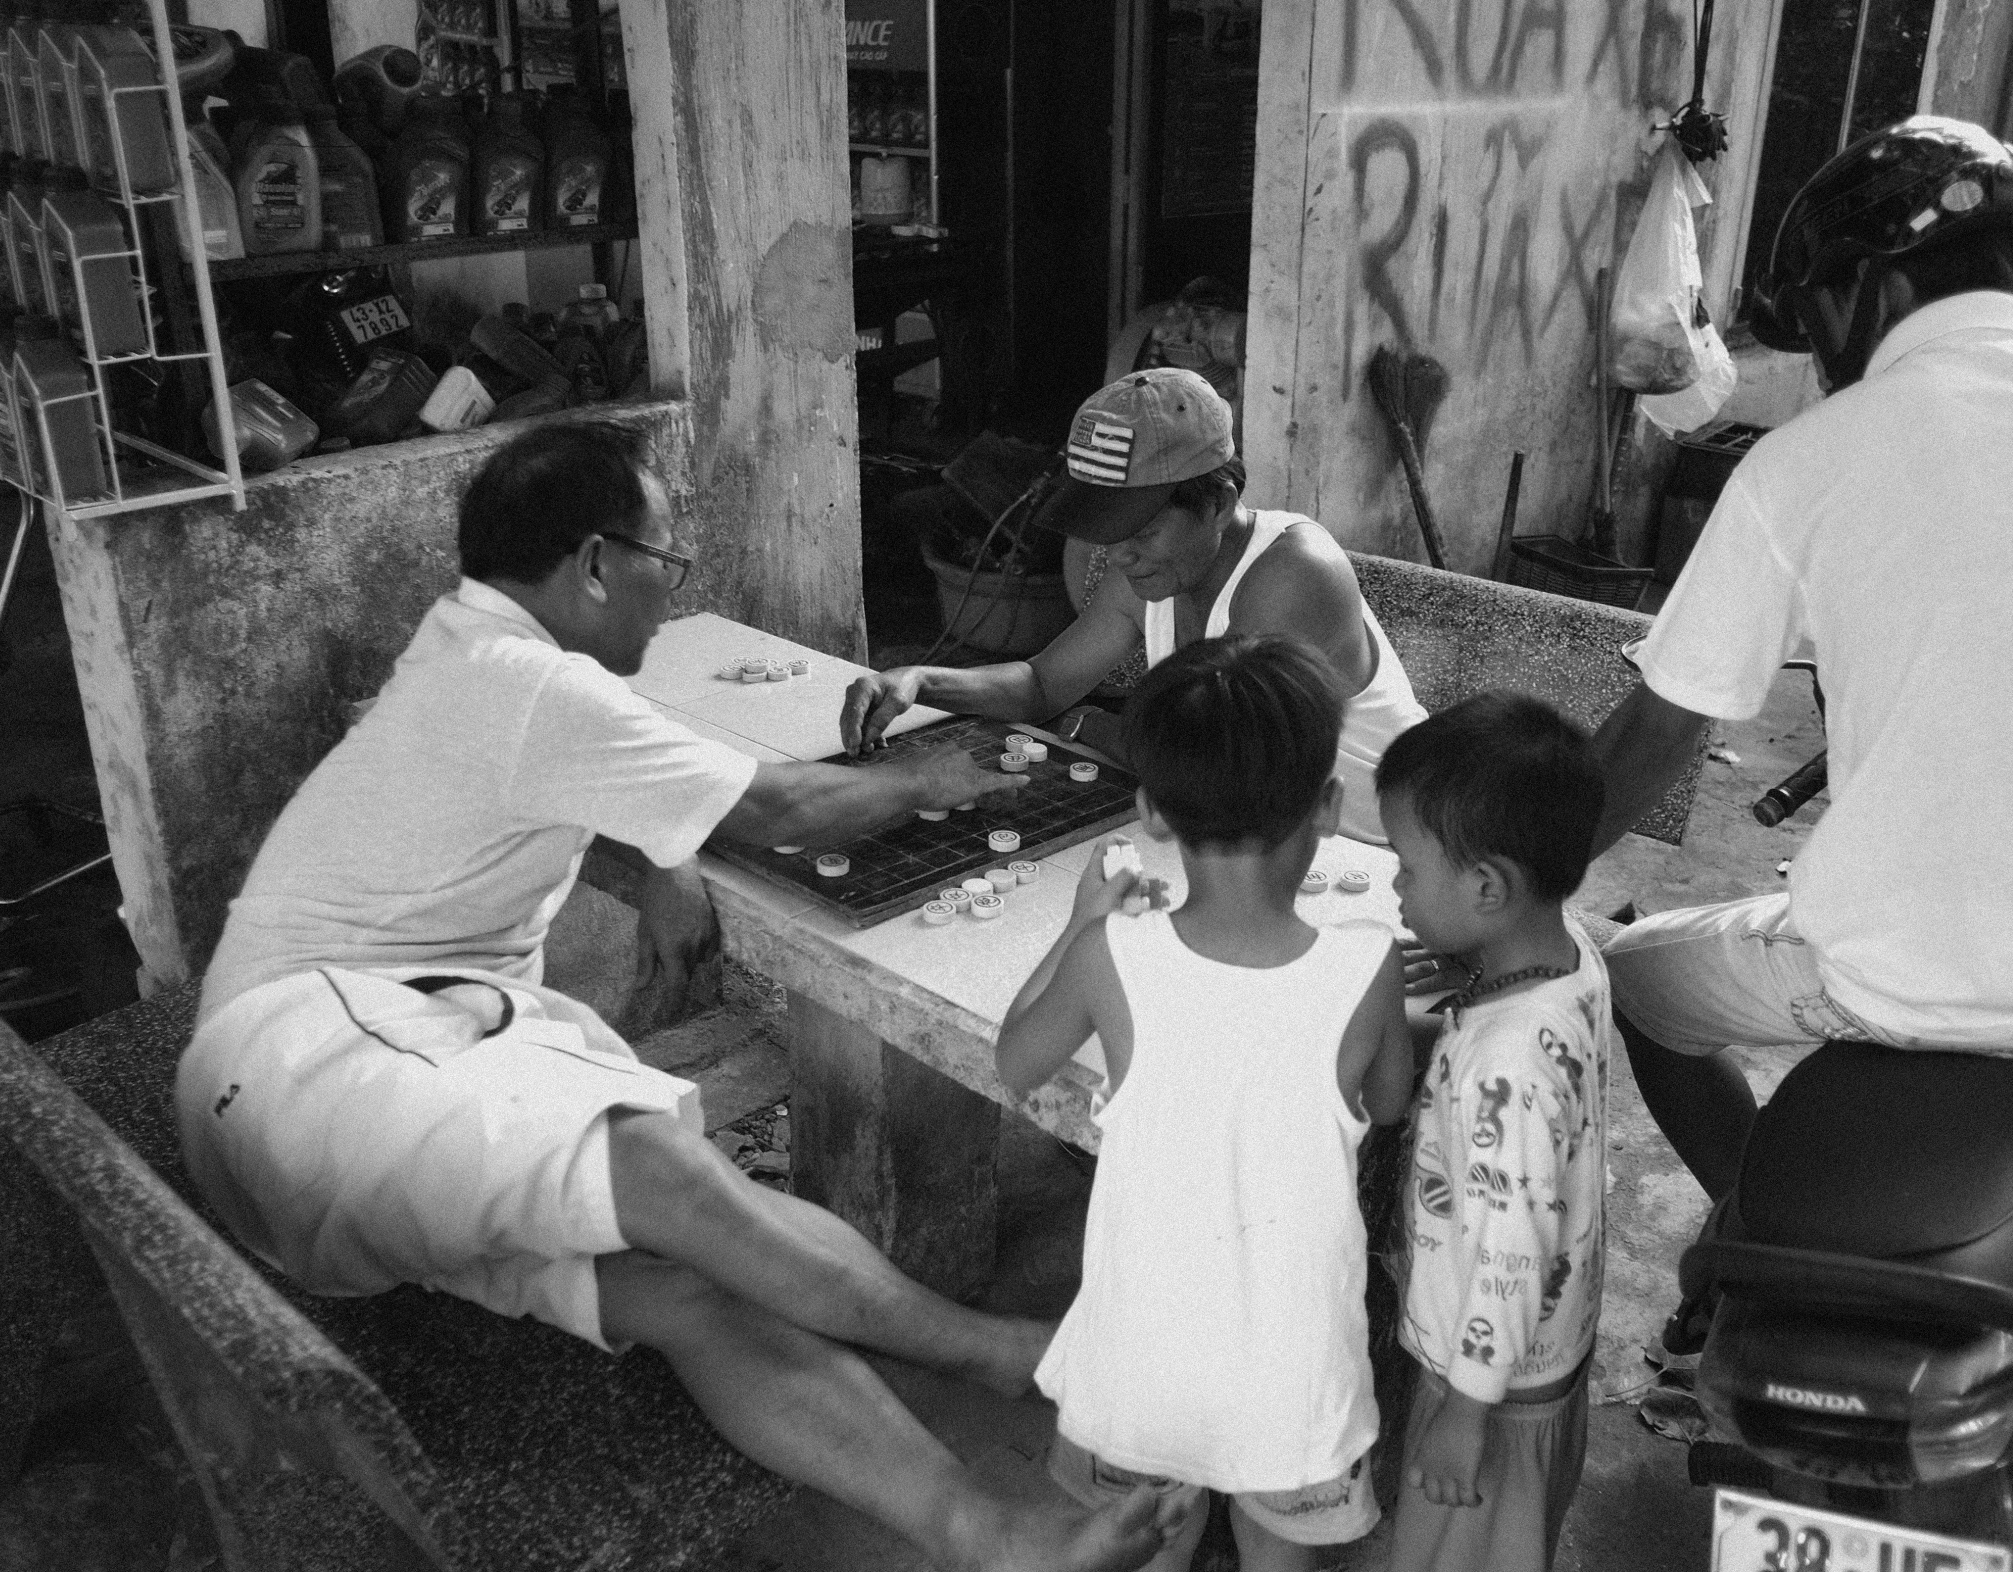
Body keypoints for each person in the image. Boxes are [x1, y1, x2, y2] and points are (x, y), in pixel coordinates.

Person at [177, 420, 1175, 1572]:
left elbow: (583, 784)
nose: (669, 590)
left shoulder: (476, 659)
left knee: (689, 1291)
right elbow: (791, 809)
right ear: (596, 561)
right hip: (310, 1057)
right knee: (653, 1161)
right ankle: (1002, 1355)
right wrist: (929, 775)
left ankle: (989, 1534)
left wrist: (666, 860)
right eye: (665, 559)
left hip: (350, 1086)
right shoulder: (524, 682)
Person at [1583, 116, 2013, 1207]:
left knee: (1635, 981)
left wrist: (1520, 881)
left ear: (1856, 294)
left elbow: (1657, 734)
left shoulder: (1802, 465)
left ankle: (1747, 1239)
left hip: (1917, 986)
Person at [994, 634, 1415, 1572]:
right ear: (1331, 806)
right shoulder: (1366, 963)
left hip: (1142, 1371)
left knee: (1147, 1553)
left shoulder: (1117, 959)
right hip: (1292, 1383)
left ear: (1149, 812)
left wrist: (1079, 927)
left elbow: (1018, 1061)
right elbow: (1388, 1103)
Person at [841, 368, 1427, 844]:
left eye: (1140, 530)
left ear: (1219, 503)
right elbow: (1042, 684)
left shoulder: (1291, 574)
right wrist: (918, 681)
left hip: (1377, 852)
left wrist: (1085, 722)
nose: (1119, 556)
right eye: (1108, 531)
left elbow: (1215, 773)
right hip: (1264, 843)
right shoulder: (1153, 569)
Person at [1375, 693, 1611, 1572]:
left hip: (1491, 1392)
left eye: (1406, 868)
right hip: (1549, 1359)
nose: (1397, 888)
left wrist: (1463, 1413)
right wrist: (1470, 956)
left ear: (1487, 890)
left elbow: (1510, 1248)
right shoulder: (1571, 953)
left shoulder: (1507, 1067)